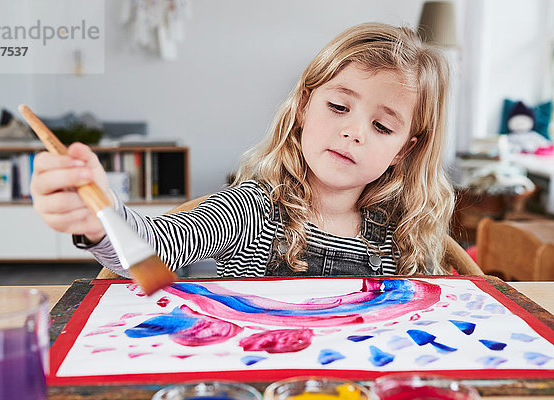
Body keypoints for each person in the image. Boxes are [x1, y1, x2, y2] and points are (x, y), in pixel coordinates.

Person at [31, 22, 454, 278]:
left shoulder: (403, 232)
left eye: (382, 126)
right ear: (304, 105)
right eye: (339, 106)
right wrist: (100, 217)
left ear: (403, 150)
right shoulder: (251, 210)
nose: (353, 132)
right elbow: (149, 254)